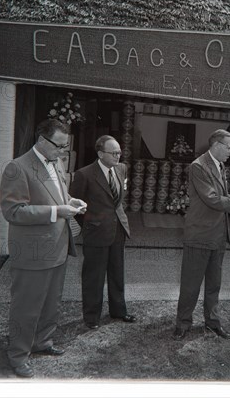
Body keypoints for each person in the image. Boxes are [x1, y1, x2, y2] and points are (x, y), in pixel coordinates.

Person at [0, 119, 86, 378]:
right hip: (33, 252)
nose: (63, 152)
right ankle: (18, 354)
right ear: (41, 140)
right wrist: (56, 211)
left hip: (57, 247)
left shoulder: (56, 162)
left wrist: (71, 200)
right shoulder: (17, 167)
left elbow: (56, 194)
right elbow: (13, 211)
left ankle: (42, 342)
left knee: (51, 301)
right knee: (26, 305)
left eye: (66, 146)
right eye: (60, 146)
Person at [173, 129, 230, 340]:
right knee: (190, 285)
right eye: (229, 147)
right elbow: (212, 199)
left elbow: (222, 195)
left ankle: (212, 322)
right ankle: (183, 323)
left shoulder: (219, 165)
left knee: (214, 284)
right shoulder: (198, 166)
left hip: (218, 235)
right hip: (200, 235)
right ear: (216, 146)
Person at [70, 135, 136, 329]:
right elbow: (76, 206)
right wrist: (92, 224)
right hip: (96, 232)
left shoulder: (121, 169)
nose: (118, 156)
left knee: (117, 273)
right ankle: (91, 318)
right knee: (94, 276)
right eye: (113, 152)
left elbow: (119, 199)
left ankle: (118, 311)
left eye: (119, 152)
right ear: (100, 154)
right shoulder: (84, 174)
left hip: (118, 230)